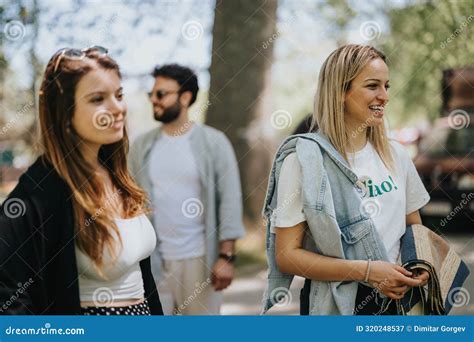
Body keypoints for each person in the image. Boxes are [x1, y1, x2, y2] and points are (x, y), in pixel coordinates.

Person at [263, 44, 431, 315]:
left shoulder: (396, 154)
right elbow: (286, 256)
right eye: (373, 86)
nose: (384, 96)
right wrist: (367, 272)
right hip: (337, 304)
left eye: (387, 86)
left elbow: (413, 227)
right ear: (340, 91)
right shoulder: (302, 160)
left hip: (402, 300)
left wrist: (421, 264)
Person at [0, 46, 163, 315]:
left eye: (119, 95)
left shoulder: (115, 173)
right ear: (64, 112)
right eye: (98, 99)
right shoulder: (42, 188)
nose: (117, 107)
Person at [128, 64, 245, 315]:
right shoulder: (141, 146)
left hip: (200, 261)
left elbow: (230, 200)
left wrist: (226, 257)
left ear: (185, 97)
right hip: (154, 262)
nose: (154, 101)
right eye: (152, 95)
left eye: (161, 94)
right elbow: (129, 200)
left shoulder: (214, 143)